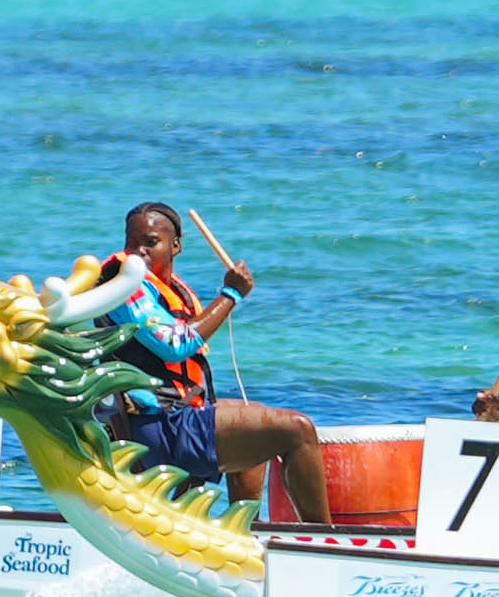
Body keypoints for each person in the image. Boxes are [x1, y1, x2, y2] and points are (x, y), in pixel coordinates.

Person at [104, 202, 335, 530]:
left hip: (178, 418)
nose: (138, 252)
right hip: (156, 426)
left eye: (150, 242)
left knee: (254, 432)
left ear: (176, 246)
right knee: (296, 429)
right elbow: (174, 345)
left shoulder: (173, 290)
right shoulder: (123, 284)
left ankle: (244, 537)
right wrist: (230, 295)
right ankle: (324, 543)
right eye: (132, 242)